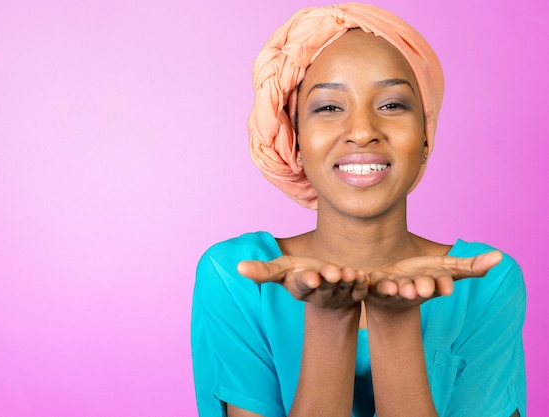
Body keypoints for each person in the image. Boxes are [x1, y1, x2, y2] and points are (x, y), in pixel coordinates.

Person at [191, 3, 526, 417]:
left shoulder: (486, 287)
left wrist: (395, 324)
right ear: (295, 140)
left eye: (391, 105)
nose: (363, 131)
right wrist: (329, 323)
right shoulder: (236, 280)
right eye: (329, 107)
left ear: (426, 134)